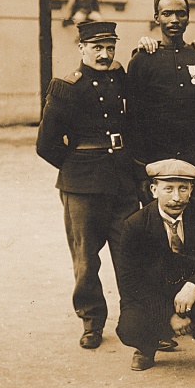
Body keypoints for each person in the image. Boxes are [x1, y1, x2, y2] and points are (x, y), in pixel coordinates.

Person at [125, 0, 195, 342]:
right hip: (158, 167)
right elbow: (134, 120)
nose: (174, 20)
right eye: (167, 14)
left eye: (180, 14)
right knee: (159, 242)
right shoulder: (142, 59)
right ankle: (160, 321)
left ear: (188, 17)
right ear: (156, 17)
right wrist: (143, 172)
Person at [36, 21, 138, 349]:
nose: (105, 54)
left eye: (110, 48)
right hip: (82, 185)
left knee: (131, 252)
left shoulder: (125, 81)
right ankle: (92, 320)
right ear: (81, 48)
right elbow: (46, 144)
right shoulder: (67, 87)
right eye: (97, 48)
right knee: (85, 257)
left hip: (123, 182)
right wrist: (76, 167)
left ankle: (136, 321)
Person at [116, 159, 195, 378]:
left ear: (191, 190)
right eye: (168, 189)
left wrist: (194, 285)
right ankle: (147, 348)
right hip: (156, 296)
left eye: (183, 188)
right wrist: (169, 315)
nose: (176, 198)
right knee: (130, 327)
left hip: (193, 293)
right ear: (154, 190)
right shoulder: (135, 225)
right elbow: (131, 283)